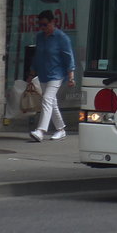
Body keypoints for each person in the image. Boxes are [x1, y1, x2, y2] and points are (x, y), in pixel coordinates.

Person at [29, 8, 76, 141]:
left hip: (57, 74)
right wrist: (31, 74)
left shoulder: (62, 38)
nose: (43, 28)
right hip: (44, 74)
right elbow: (36, 57)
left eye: (45, 24)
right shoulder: (39, 37)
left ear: (52, 22)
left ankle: (41, 130)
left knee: (47, 99)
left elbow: (69, 58)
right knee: (51, 102)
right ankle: (61, 129)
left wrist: (71, 76)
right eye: (41, 25)